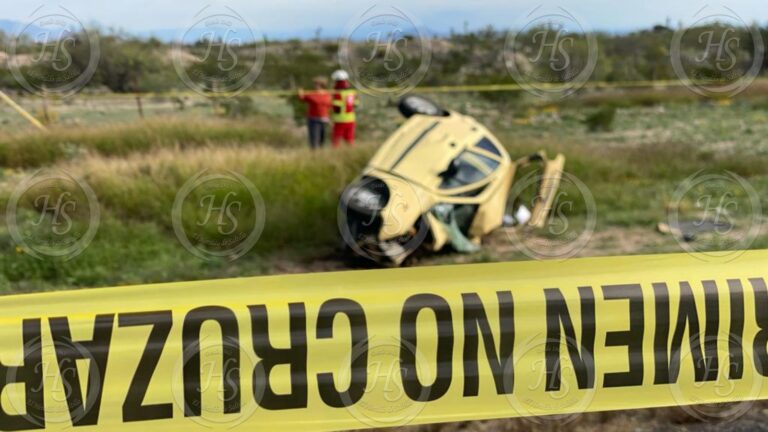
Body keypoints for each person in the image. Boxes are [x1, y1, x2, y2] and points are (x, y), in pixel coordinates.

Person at [298, 77, 332, 149]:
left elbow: (329, 107)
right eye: (315, 84)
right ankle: (314, 156)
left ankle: (320, 156)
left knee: (322, 140)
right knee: (314, 140)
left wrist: (329, 119)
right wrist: (300, 92)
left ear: (322, 85)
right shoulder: (312, 94)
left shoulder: (328, 95)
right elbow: (302, 98)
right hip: (313, 120)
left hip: (324, 120)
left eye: (317, 84)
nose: (315, 85)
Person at [330, 70, 358, 148]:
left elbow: (336, 107)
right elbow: (356, 104)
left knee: (336, 141)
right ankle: (351, 154)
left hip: (340, 119)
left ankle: (335, 155)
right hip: (351, 119)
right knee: (349, 140)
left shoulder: (337, 93)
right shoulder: (352, 92)